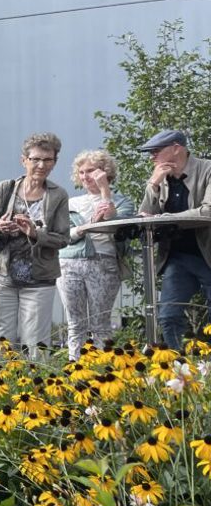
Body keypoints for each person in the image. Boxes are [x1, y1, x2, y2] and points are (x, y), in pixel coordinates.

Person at [0, 133, 69, 351]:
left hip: (39, 279)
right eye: (35, 159)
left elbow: (63, 238)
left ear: (54, 162)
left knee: (37, 346)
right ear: (24, 160)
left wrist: (35, 234)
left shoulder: (58, 195)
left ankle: (35, 376)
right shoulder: (5, 189)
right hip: (2, 277)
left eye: (48, 160)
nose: (41, 165)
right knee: (0, 345)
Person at [56, 150, 136, 359]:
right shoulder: (70, 203)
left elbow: (114, 225)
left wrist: (104, 190)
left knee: (100, 323)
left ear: (104, 171)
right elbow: (61, 236)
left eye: (90, 171)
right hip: (68, 263)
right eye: (81, 172)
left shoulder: (122, 202)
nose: (85, 176)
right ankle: (75, 368)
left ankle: (102, 369)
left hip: (104, 263)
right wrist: (86, 227)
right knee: (75, 324)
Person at [137, 129, 211, 350]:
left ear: (177, 148)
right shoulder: (161, 177)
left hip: (207, 255)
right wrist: (153, 184)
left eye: (156, 150)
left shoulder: (207, 169)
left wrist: (166, 218)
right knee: (168, 316)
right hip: (178, 258)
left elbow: (208, 212)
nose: (152, 156)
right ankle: (177, 365)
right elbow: (144, 217)